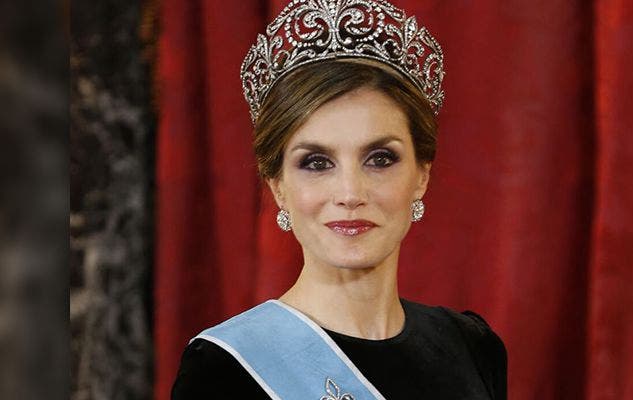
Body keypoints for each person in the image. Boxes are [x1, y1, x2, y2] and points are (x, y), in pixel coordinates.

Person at [171, 1, 506, 398]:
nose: (350, 193)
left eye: (380, 159)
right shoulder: (224, 369)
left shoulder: (471, 346)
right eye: (316, 163)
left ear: (421, 176)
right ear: (278, 186)